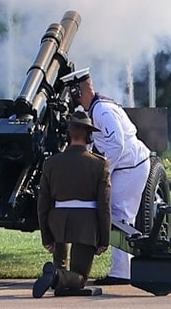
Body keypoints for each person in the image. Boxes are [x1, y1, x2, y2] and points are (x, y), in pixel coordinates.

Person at [60, 67, 150, 286]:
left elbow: (117, 145)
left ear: (78, 92)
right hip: (127, 166)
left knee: (118, 214)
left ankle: (122, 272)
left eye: (72, 93)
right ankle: (123, 269)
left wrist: (104, 171)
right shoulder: (97, 109)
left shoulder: (102, 112)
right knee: (117, 213)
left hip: (131, 166)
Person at [33, 110, 111, 298]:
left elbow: (43, 203)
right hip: (86, 224)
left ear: (69, 134)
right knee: (80, 277)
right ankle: (57, 276)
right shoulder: (100, 164)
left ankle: (57, 275)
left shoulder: (51, 163)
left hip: (58, 222)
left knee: (62, 268)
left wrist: (47, 236)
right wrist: (104, 239)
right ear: (89, 135)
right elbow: (104, 205)